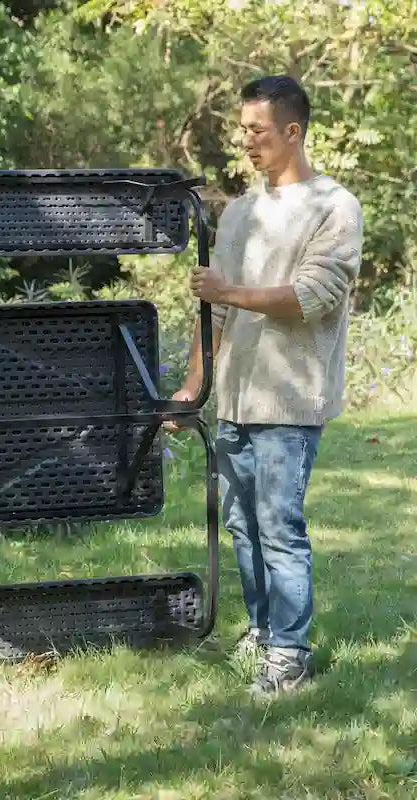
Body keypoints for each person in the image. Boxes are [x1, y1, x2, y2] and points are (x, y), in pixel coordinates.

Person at [169, 75, 363, 695]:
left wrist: (227, 291)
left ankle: (290, 656)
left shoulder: (334, 207)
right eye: (243, 130)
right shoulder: (240, 213)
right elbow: (214, 316)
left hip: (290, 401)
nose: (246, 141)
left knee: (279, 527)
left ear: (293, 131)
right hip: (235, 399)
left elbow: (312, 297)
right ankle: (261, 631)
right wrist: (192, 388)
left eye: (257, 131)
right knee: (242, 526)